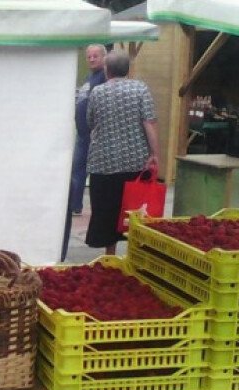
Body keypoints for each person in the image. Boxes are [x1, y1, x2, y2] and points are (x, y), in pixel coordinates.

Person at [84, 50, 159, 256]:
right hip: (135, 162)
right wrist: (155, 154)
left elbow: (90, 122)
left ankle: (110, 255)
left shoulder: (97, 92)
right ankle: (135, 254)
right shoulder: (140, 89)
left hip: (103, 162)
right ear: (127, 69)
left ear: (107, 70)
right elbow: (149, 123)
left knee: (107, 210)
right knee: (133, 210)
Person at [61, 44, 106, 261]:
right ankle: (75, 205)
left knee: (87, 172)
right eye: (89, 56)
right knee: (77, 171)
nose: (91, 59)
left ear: (104, 57)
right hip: (82, 134)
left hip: (93, 135)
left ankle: (90, 211)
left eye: (95, 55)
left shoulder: (104, 78)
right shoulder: (91, 77)